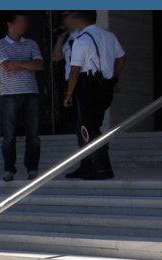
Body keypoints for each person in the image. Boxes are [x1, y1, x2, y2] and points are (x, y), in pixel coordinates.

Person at [62, 10, 126, 180]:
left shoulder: (82, 40)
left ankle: (101, 168)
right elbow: (121, 58)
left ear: (80, 19)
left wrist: (69, 94)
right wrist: (113, 79)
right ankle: (86, 166)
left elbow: (75, 70)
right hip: (103, 87)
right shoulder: (108, 36)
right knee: (89, 126)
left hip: (87, 87)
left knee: (88, 128)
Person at [0, 11, 44, 182]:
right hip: (9, 94)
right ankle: (9, 169)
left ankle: (32, 168)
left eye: (25, 22)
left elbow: (39, 64)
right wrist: (26, 64)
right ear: (10, 24)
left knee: (33, 134)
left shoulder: (31, 44)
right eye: (20, 22)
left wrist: (19, 63)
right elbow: (7, 66)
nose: (24, 25)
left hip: (31, 93)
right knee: (9, 135)